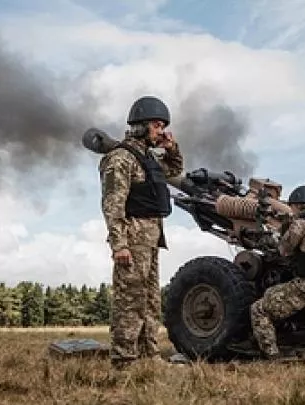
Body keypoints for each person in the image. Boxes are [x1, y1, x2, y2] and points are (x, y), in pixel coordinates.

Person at [98, 96, 184, 369]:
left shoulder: (148, 159)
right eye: (157, 126)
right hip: (132, 237)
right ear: (141, 125)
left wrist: (171, 148)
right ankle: (124, 360)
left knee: (149, 301)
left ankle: (149, 356)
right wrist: (119, 244)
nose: (162, 131)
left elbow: (174, 169)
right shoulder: (121, 158)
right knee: (129, 300)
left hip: (151, 238)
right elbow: (113, 204)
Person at [232, 185, 305, 359]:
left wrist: (284, 228)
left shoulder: (302, 224)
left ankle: (271, 354)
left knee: (259, 308)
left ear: (301, 205)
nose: (291, 210)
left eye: (292, 207)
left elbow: (283, 250)